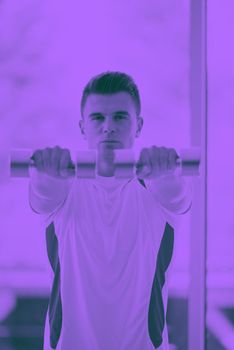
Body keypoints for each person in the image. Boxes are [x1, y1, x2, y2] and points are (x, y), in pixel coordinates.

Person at [29, 71, 193, 350]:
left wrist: (165, 168)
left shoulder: (157, 189)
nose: (108, 127)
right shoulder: (63, 187)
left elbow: (178, 195)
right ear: (83, 127)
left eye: (119, 117)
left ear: (138, 126)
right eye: (97, 118)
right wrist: (46, 169)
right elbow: (43, 194)